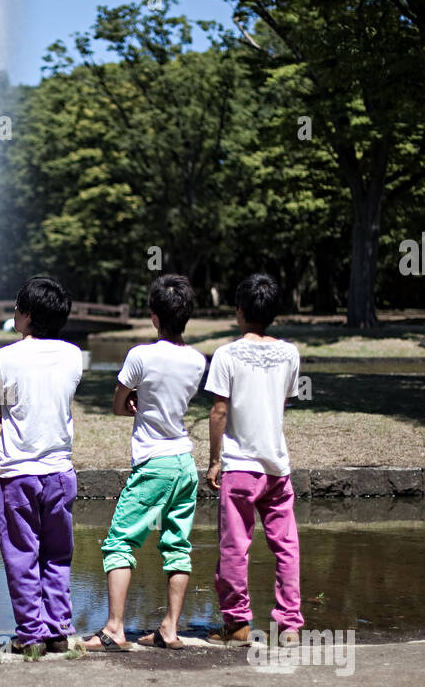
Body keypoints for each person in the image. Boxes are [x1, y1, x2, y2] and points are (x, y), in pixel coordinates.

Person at [83, 274, 206, 652]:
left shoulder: (140, 355)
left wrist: (134, 401)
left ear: (154, 317)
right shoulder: (198, 360)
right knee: (177, 545)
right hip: (185, 463)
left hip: (153, 463)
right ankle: (170, 629)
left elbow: (119, 405)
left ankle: (116, 629)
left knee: (120, 541)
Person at [0, 277, 84, 654]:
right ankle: (59, 629)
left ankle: (30, 634)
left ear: (26, 315)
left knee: (21, 555)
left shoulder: (4, 357)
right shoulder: (73, 355)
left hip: (17, 471)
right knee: (57, 554)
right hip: (59, 469)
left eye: (16, 307)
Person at [203, 273, 303, 648]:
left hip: (240, 466)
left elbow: (218, 412)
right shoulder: (290, 353)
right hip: (277, 466)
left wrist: (215, 461)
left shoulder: (227, 355)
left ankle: (237, 625)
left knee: (234, 547)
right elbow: (283, 402)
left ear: (240, 311)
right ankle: (289, 626)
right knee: (286, 546)